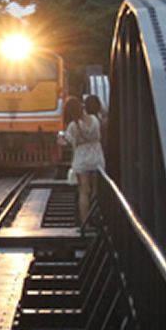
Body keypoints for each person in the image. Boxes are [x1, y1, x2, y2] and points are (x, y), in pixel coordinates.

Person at [59, 95, 104, 232]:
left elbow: (64, 142)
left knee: (84, 192)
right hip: (97, 158)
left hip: (81, 160)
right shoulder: (95, 120)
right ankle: (98, 219)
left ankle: (85, 224)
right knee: (97, 191)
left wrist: (60, 136)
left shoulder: (73, 126)